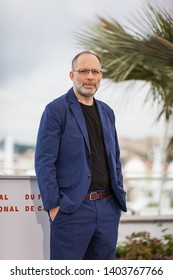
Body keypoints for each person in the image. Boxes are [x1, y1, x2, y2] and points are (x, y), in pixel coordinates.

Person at [35, 50, 127, 260]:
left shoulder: (107, 112)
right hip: (72, 210)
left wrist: (117, 196)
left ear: (101, 76)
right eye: (84, 71)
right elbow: (44, 160)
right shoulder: (56, 110)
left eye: (95, 72)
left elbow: (115, 159)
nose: (89, 77)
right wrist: (54, 207)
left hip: (107, 208)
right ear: (72, 75)